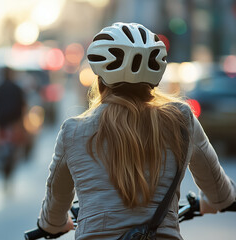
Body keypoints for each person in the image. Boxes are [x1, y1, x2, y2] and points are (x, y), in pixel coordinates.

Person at [36, 22, 236, 239]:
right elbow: (220, 194)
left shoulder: (73, 131)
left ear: (100, 78)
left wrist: (54, 224)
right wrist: (210, 202)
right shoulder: (181, 119)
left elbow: (54, 206)